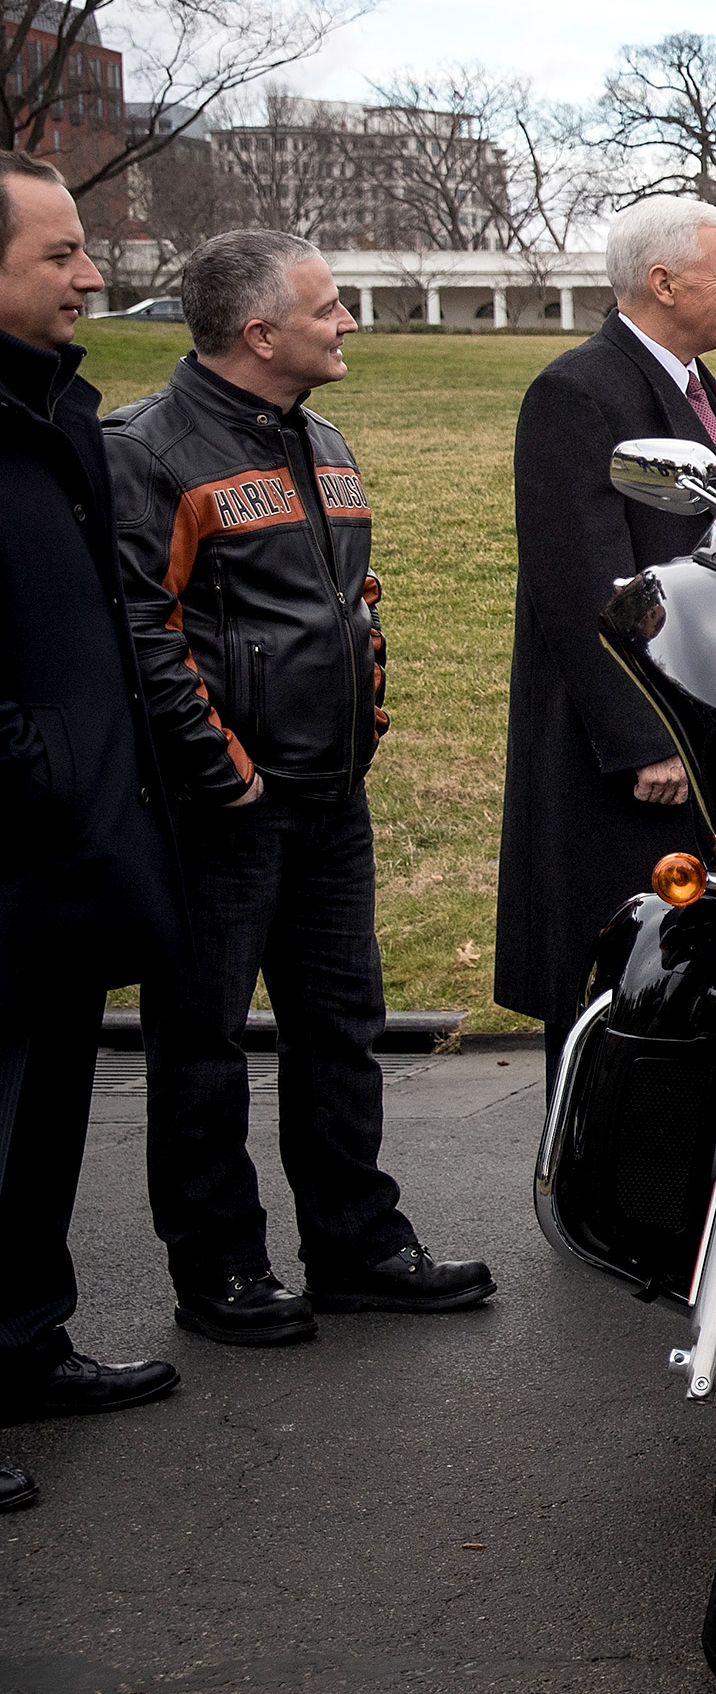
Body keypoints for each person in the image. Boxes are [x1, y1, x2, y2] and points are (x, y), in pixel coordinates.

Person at [107, 231, 490, 1340]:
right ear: (259, 331)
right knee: (204, 1040)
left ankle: (357, 1244)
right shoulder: (148, 448)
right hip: (223, 804)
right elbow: (144, 628)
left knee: (341, 1023)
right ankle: (220, 1267)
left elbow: (345, 597)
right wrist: (218, 766)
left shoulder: (320, 435)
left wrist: (364, 705)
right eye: (329, 307)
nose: (349, 322)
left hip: (331, 793)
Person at [0, 150, 183, 1511]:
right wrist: (41, 774)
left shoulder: (56, 416)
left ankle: (25, 1342)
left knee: (44, 1111)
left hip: (65, 848)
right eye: (59, 254)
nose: (92, 273)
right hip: (17, 830)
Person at [498, 197, 716, 1077]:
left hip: (707, 736)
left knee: (691, 986)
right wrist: (647, 738)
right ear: (663, 282)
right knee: (616, 984)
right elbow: (580, 585)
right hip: (624, 759)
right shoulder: (578, 391)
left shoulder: (704, 389)